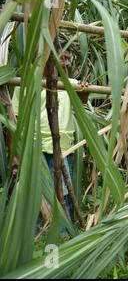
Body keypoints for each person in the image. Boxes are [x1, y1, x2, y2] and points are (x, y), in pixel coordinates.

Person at [12, 41, 88, 227]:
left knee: (62, 192)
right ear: (47, 56)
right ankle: (39, 231)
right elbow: (14, 119)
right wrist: (15, 154)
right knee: (37, 193)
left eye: (68, 59)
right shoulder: (26, 83)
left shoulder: (68, 84)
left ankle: (62, 233)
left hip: (63, 148)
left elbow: (83, 98)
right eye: (61, 58)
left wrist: (84, 88)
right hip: (34, 147)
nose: (66, 63)